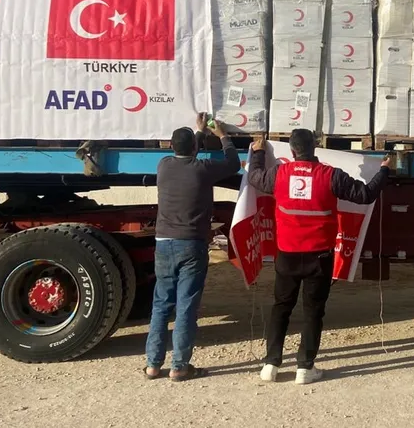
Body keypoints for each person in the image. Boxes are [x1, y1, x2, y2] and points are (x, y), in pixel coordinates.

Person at [244, 128, 391, 385]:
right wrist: (384, 171)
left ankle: (271, 364)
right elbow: (365, 195)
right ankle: (305, 367)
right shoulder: (330, 175)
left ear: (291, 151)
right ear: (316, 147)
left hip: (287, 255)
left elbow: (255, 177)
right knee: (313, 312)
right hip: (319, 257)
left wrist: (257, 154)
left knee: (281, 308)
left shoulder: (279, 174)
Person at [143, 113, 240, 382]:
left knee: (161, 303)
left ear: (172, 148)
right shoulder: (203, 169)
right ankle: (179, 366)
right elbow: (233, 163)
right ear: (196, 149)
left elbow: (188, 152)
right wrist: (221, 135)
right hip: (191, 244)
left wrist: (197, 133)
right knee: (185, 306)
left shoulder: (163, 166)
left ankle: (153, 364)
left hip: (163, 243)